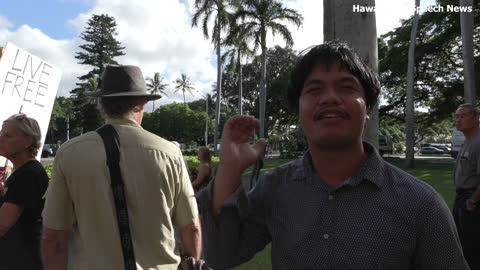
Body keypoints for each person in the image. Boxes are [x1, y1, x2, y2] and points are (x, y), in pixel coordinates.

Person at [196, 40, 469, 269]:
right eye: (314, 90)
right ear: (298, 110)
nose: (329, 98)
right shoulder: (274, 188)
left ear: (369, 108)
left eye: (346, 87)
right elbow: (221, 256)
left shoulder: (421, 204)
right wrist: (230, 169)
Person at [41, 65, 201, 270]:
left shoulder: (69, 153)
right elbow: (192, 228)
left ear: (101, 103)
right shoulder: (170, 153)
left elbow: (53, 238)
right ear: (142, 104)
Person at [0, 113, 49, 269]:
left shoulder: (28, 174)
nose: (0, 139)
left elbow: (2, 224)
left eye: (7, 136)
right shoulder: (23, 171)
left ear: (27, 142)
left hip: (20, 261)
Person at [453, 103, 480, 269]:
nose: (458, 120)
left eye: (463, 116)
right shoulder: (468, 140)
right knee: (460, 242)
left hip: (472, 201)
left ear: (477, 118)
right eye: (456, 116)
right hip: (462, 198)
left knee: (472, 248)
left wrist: (472, 202)